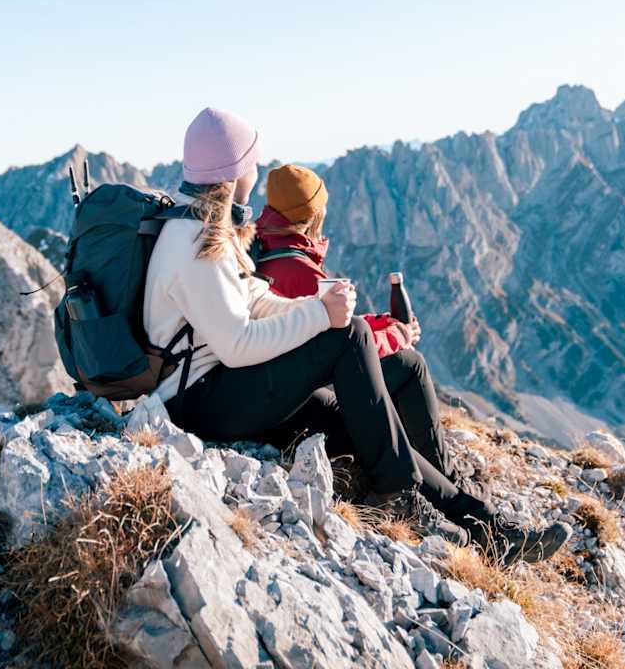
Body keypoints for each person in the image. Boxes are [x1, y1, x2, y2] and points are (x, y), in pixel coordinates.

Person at [143, 107, 570, 564]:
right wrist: (322, 318)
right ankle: (399, 494)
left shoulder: (201, 227)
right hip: (200, 401)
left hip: (217, 389)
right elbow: (236, 344)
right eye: (251, 163)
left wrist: (315, 307)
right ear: (233, 170)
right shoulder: (197, 242)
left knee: (352, 419)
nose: (255, 172)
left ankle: (488, 529)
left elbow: (251, 300)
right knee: (349, 336)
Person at [255, 163, 453, 480]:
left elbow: (332, 326)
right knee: (410, 366)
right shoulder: (299, 271)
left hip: (274, 391)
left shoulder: (260, 247)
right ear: (313, 214)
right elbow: (347, 345)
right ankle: (445, 477)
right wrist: (399, 335)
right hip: (302, 405)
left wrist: (384, 323)